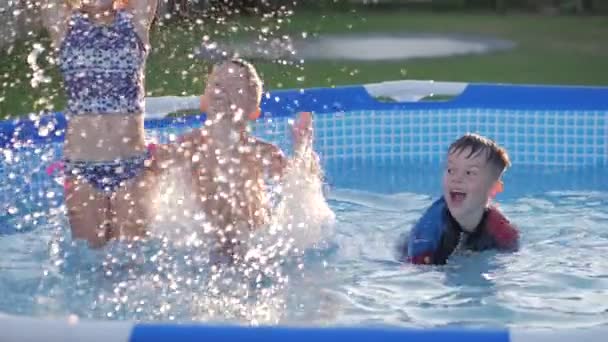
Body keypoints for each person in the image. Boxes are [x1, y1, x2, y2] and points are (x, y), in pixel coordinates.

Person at [151, 59, 320, 263]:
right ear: (204, 100)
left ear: (254, 111)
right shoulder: (189, 146)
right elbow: (151, 169)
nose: (223, 91)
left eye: (234, 88)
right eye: (217, 84)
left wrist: (303, 148)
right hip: (206, 244)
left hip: (252, 244)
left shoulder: (258, 151)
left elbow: (302, 189)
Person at [41, 0, 159, 248]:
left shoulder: (135, 22)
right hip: (83, 168)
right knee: (89, 264)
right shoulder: (65, 25)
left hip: (133, 166)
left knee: (133, 265)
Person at [398, 133, 520, 265]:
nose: (456, 179)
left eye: (469, 173)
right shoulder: (429, 232)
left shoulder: (500, 228)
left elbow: (515, 258)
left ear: (493, 188)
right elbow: (417, 274)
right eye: (451, 170)